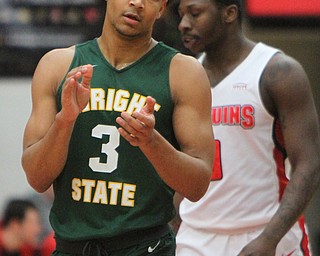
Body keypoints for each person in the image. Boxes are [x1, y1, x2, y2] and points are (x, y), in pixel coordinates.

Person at [21, 0, 214, 255]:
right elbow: (36, 177)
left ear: (161, 8)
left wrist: (150, 141)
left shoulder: (184, 72)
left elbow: (198, 184)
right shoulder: (57, 65)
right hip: (72, 247)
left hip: (145, 246)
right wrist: (65, 120)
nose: (137, 3)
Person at [175, 0, 320, 255]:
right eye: (181, 14)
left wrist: (270, 238)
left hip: (265, 233)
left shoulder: (277, 72)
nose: (183, 24)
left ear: (229, 13)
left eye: (195, 13)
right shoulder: (183, 78)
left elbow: (309, 164)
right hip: (196, 238)